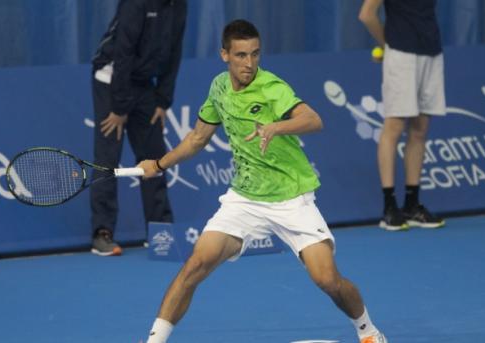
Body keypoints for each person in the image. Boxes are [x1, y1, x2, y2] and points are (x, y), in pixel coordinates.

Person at [137, 19, 387, 343]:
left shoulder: (272, 87)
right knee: (196, 264)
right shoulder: (219, 87)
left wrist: (274, 127)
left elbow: (313, 119)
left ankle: (368, 331)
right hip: (245, 199)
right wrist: (159, 163)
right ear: (224, 54)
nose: (249, 63)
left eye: (255, 54)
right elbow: (198, 138)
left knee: (326, 279)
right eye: (241, 55)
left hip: (291, 198)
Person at [90, 0, 186, 255]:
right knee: (107, 159)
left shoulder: (179, 5)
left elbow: (174, 50)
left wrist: (163, 100)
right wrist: (119, 108)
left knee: (154, 158)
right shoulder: (136, 3)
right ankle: (103, 233)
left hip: (144, 83)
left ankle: (160, 234)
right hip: (112, 79)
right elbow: (124, 51)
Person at [359, 0, 446, 231]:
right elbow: (367, 15)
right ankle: (389, 207)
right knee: (393, 129)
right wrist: (387, 46)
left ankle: (412, 205)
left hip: (431, 52)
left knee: (419, 131)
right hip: (401, 55)